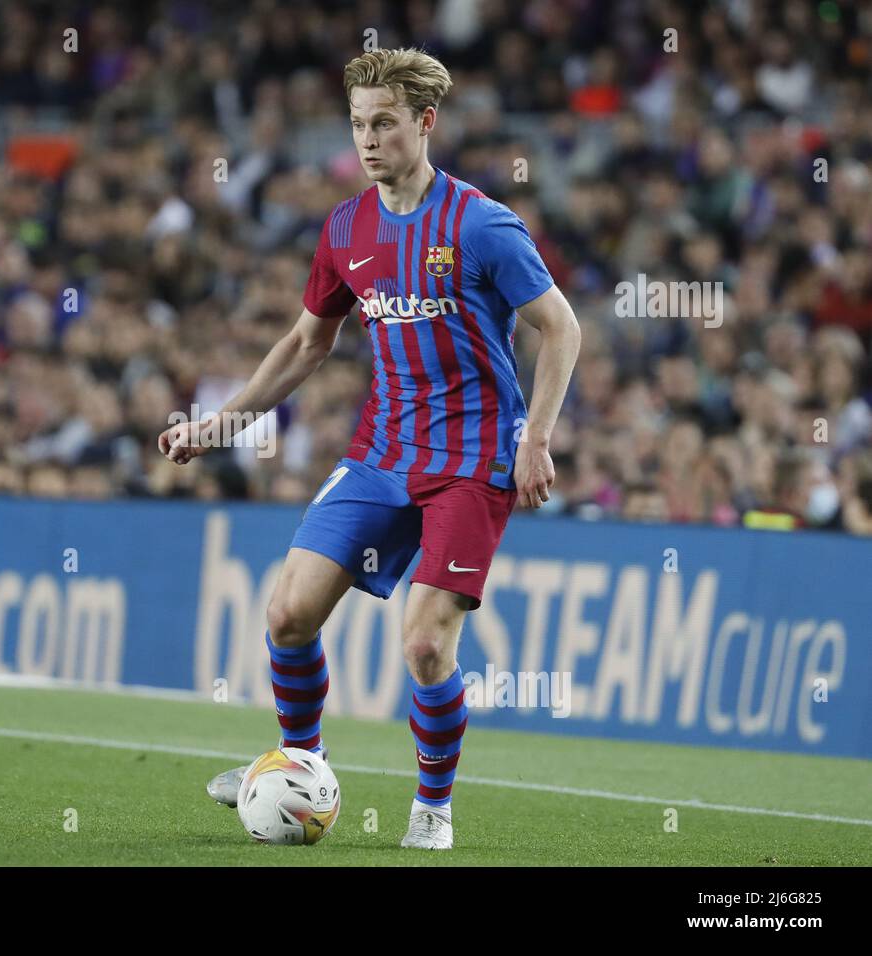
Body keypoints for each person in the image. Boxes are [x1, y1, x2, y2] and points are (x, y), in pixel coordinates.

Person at [157, 48, 581, 849]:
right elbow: (304, 344)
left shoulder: (482, 224)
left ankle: (432, 807)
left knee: (424, 647)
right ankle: (301, 768)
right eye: (358, 124)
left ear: (425, 122)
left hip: (471, 463)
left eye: (384, 122)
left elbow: (560, 327)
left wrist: (537, 437)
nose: (368, 139)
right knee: (287, 614)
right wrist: (217, 424)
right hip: (382, 454)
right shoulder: (345, 229)